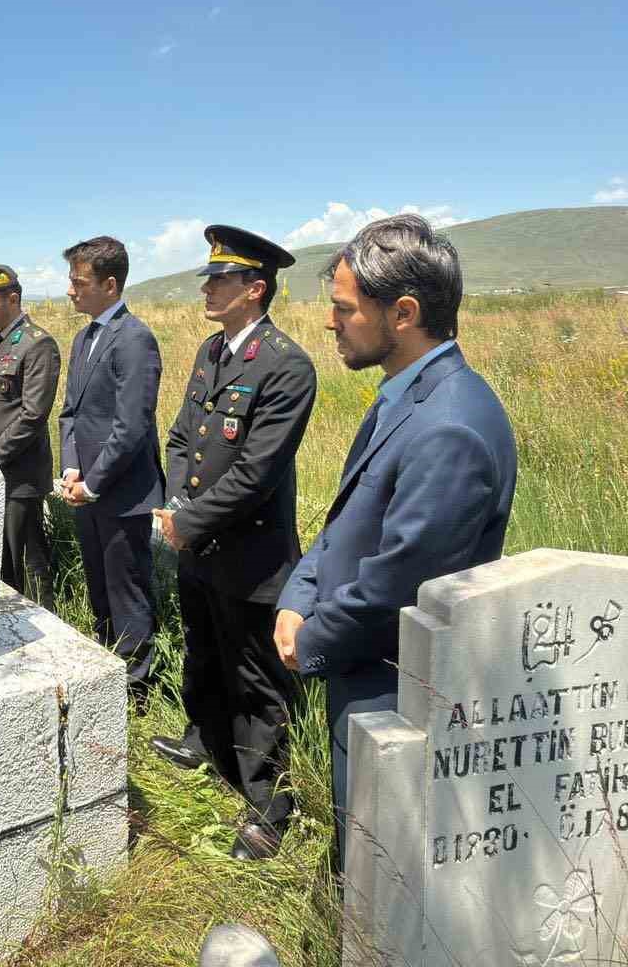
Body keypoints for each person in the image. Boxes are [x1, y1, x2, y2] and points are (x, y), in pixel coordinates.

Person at [274, 214, 516, 872]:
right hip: (360, 668)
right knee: (359, 854)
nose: (330, 323)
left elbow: (397, 584)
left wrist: (313, 640)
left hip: (396, 695)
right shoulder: (405, 396)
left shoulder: (451, 428)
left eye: (344, 308)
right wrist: (298, 597)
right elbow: (344, 522)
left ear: (403, 312)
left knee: (383, 873)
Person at [151, 225, 317, 861]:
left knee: (257, 678)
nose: (207, 288)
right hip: (197, 544)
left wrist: (188, 522)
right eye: (208, 278)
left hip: (249, 555)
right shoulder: (212, 351)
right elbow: (181, 439)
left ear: (256, 288)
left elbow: (256, 472)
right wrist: (175, 506)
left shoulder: (285, 365)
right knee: (206, 653)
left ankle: (269, 806)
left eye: (220, 279)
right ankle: (206, 743)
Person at [56, 236, 163, 696]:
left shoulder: (134, 338)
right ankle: (106, 676)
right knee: (99, 588)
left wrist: (94, 483)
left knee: (126, 595)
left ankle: (136, 690)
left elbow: (131, 426)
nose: (70, 290)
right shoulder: (83, 338)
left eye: (79, 282)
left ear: (110, 284)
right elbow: (71, 413)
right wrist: (71, 469)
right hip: (88, 491)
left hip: (122, 495)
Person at [0, 264, 62, 607]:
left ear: (13, 299)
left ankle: (48, 634)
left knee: (28, 562)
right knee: (2, 565)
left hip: (20, 476)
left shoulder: (38, 345)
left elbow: (33, 415)